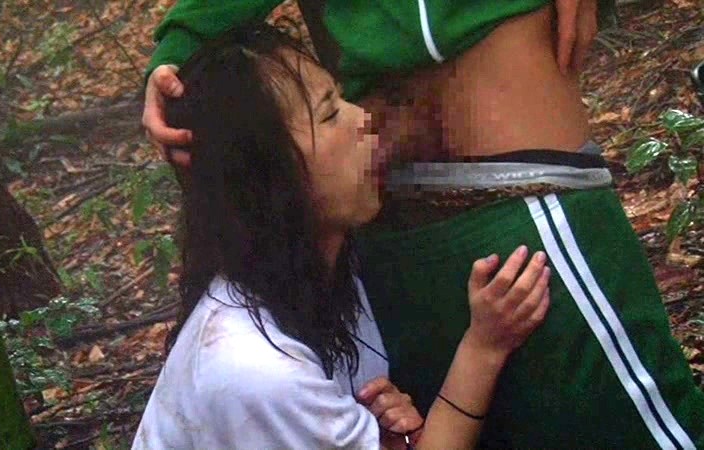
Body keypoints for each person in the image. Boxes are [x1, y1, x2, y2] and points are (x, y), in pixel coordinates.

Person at [141, 1, 704, 448]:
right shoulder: (261, 360)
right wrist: (179, 53)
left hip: (521, 207)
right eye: (331, 110)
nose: (360, 120)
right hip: (379, 238)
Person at [131, 24, 552, 450]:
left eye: (341, 99)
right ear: (267, 175)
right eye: (330, 114)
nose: (362, 119)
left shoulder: (320, 273)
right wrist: (484, 348)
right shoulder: (257, 370)